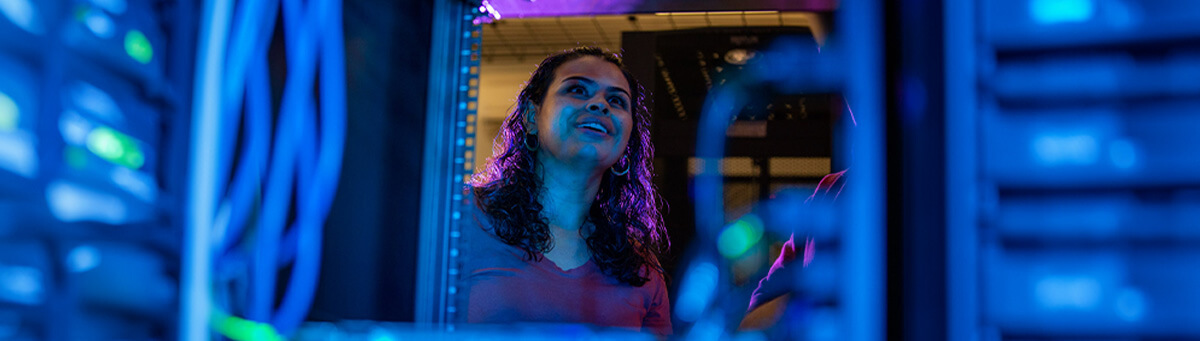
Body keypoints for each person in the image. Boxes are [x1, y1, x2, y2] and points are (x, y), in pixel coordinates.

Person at [459, 47, 671, 335]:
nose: (599, 104)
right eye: (577, 90)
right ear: (531, 116)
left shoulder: (640, 266)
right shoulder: (461, 218)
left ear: (628, 139)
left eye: (616, 100)